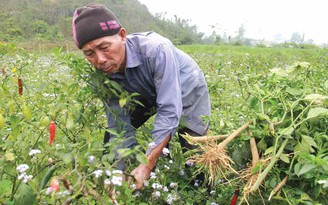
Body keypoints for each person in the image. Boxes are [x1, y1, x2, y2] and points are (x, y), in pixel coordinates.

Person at [72, 3, 211, 190]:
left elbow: (169, 110)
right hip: (144, 93)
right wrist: (120, 171)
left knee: (194, 147)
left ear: (122, 35)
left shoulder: (156, 49)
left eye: (104, 47)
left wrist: (147, 163)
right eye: (90, 54)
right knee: (113, 140)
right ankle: (145, 178)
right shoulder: (101, 75)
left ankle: (204, 193)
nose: (100, 60)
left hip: (186, 86)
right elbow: (119, 124)